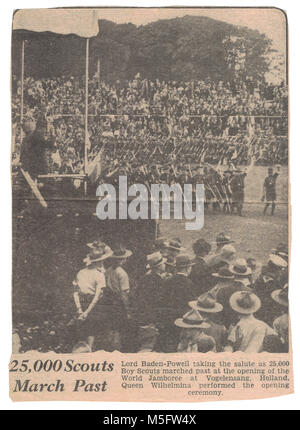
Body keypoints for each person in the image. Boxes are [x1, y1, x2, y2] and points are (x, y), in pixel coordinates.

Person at [72, 243, 112, 351]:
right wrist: (87, 312)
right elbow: (97, 296)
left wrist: (79, 309)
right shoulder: (99, 275)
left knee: (82, 331)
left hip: (80, 303)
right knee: (91, 332)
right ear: (100, 261)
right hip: (93, 306)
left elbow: (75, 292)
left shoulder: (80, 272)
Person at [160, 254, 197, 352]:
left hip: (167, 318)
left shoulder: (167, 281)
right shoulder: (189, 283)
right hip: (182, 319)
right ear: (187, 268)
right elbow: (191, 304)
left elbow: (162, 300)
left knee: (167, 345)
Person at [135, 251, 167, 352]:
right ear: (159, 266)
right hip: (154, 318)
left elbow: (136, 295)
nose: (164, 265)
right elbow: (162, 300)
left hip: (142, 315)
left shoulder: (144, 279)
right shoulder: (160, 282)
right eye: (163, 263)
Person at [104, 246, 132, 351]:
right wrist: (128, 309)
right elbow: (123, 293)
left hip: (109, 300)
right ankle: (116, 348)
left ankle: (109, 347)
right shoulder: (122, 273)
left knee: (112, 326)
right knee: (118, 327)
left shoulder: (108, 270)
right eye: (124, 258)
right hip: (118, 301)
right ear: (121, 260)